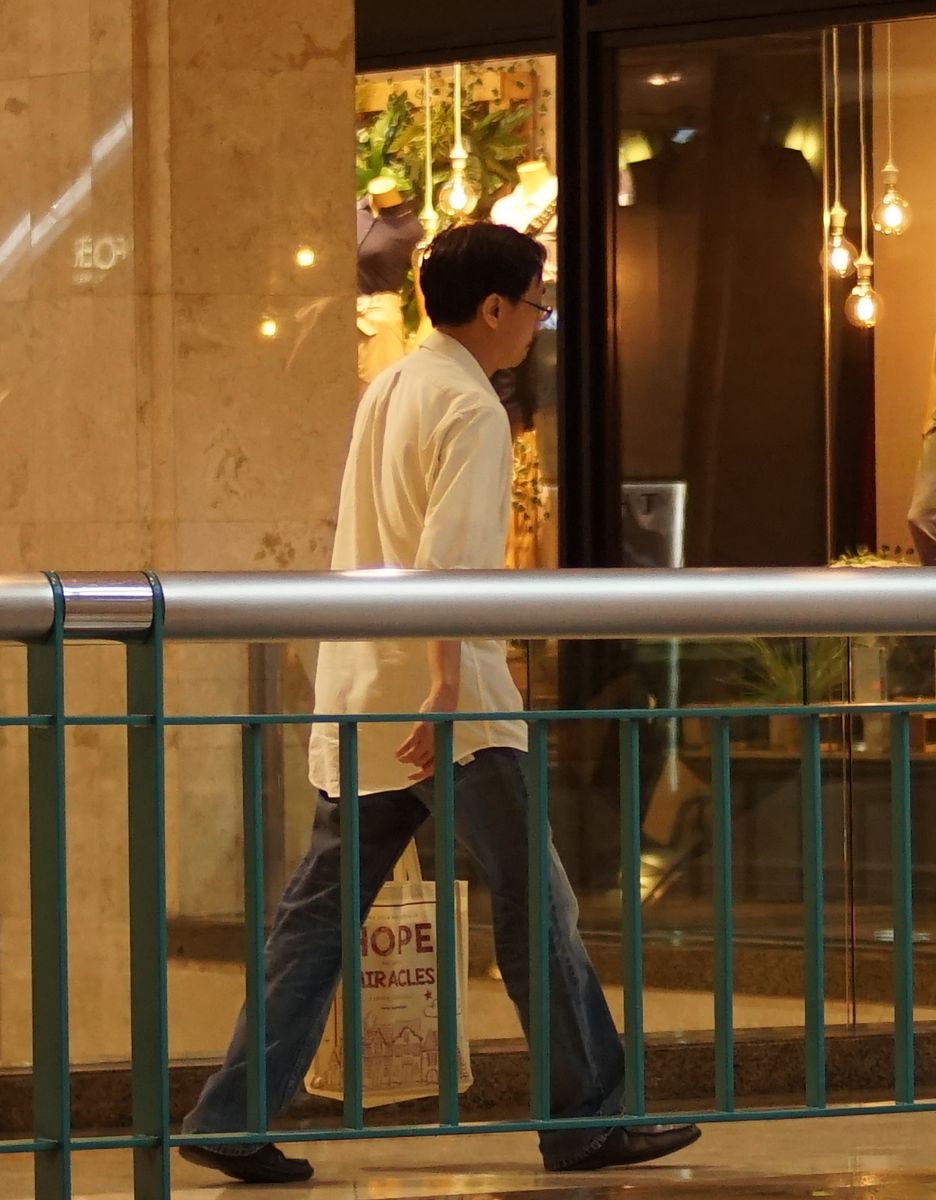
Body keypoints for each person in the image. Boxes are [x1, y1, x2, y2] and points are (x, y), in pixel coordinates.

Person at [178, 223, 700, 1184]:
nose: (540, 325)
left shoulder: (393, 385)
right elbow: (448, 568)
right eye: (537, 307)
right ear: (495, 308)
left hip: (364, 690)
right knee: (536, 906)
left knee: (318, 919)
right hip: (444, 702)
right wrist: (449, 692)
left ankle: (232, 1111)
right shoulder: (470, 406)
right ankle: (585, 1117)